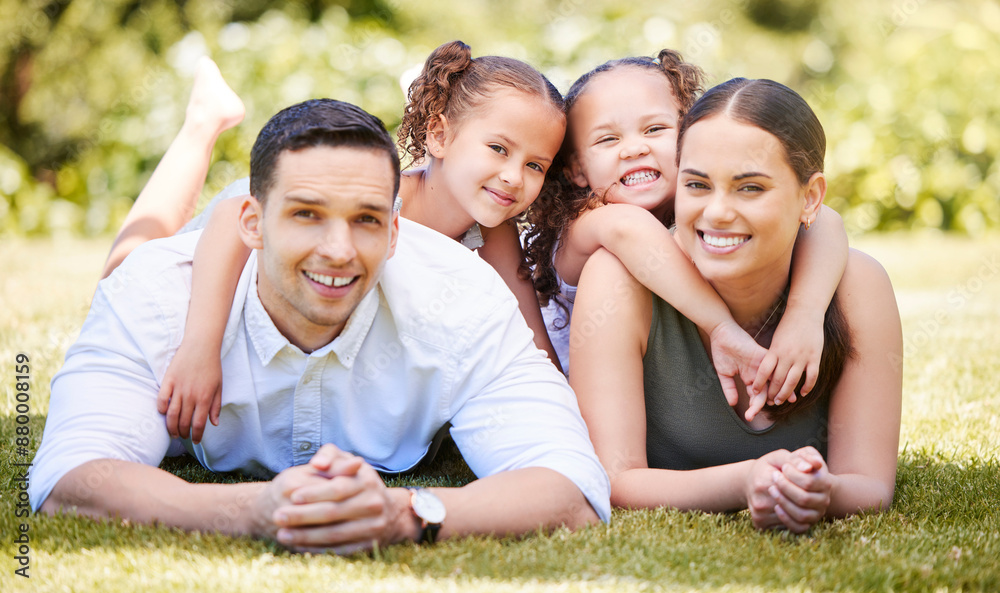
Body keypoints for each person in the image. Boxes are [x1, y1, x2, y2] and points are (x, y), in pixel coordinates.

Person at [29, 98, 610, 553]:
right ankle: (200, 128)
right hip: (175, 273)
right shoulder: (155, 296)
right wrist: (254, 512)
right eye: (307, 214)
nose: (337, 250)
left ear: (393, 231)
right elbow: (69, 477)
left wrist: (403, 515)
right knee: (127, 260)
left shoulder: (463, 298)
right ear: (252, 224)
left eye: (364, 220)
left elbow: (571, 486)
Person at [105, 42, 568, 442]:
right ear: (439, 135)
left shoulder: (493, 231)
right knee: (122, 270)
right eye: (499, 149)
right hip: (238, 250)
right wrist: (200, 348)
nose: (513, 177)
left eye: (535, 165)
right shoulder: (382, 199)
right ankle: (202, 126)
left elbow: (531, 344)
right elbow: (230, 220)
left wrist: (554, 411)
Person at [569, 78, 902, 533]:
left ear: (810, 198)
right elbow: (614, 479)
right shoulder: (619, 282)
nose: (718, 212)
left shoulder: (856, 286)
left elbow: (869, 485)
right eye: (698, 185)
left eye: (749, 188)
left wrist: (821, 492)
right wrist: (748, 482)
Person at [523, 51, 848, 405]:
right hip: (595, 400)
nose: (634, 148)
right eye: (608, 139)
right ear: (576, 170)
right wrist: (721, 327)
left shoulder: (701, 214)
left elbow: (823, 221)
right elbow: (631, 230)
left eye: (655, 129)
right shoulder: (585, 224)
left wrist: (805, 315)